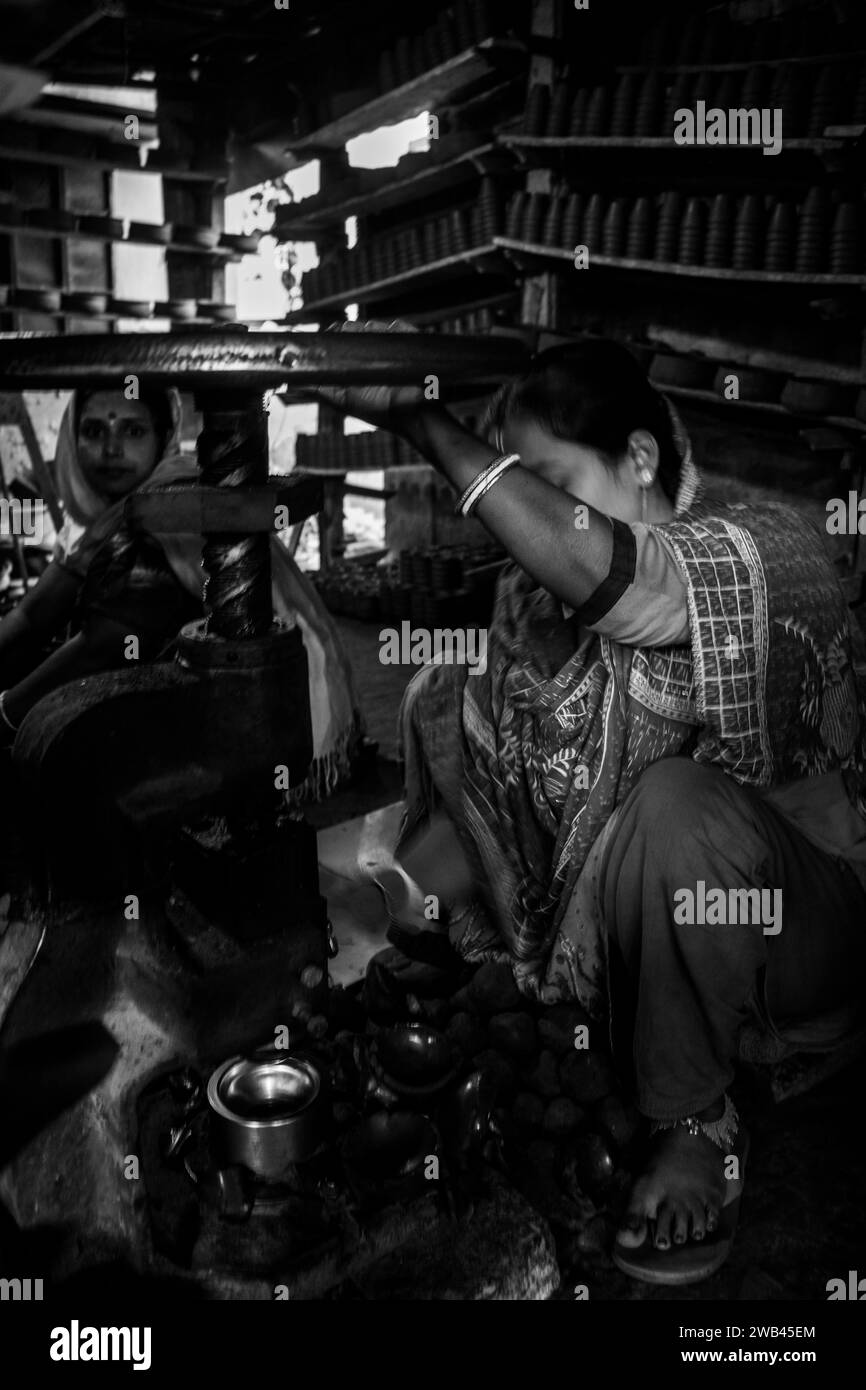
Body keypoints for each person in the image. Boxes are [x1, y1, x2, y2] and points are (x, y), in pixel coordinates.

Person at [320, 324, 866, 1285]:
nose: (525, 523)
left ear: (641, 457)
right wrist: (391, 899)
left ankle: (696, 1124)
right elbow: (501, 791)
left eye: (548, 486)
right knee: (448, 691)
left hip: (798, 933)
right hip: (649, 925)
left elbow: (632, 587)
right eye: (514, 493)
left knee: (673, 804)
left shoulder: (762, 549)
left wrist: (427, 428)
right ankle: (632, 1011)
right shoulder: (536, 607)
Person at [0, 387, 364, 801]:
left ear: (163, 436)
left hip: (272, 721)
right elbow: (32, 614)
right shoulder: (108, 518)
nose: (111, 448)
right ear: (72, 439)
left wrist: (8, 713)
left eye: (133, 431)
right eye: (94, 431)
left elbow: (100, 646)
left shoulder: (167, 513)